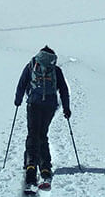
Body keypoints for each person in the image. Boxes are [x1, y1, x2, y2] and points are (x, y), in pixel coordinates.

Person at [14, 46, 70, 187]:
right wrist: (66, 108)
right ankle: (45, 168)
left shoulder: (32, 66)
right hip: (49, 106)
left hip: (33, 104)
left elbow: (22, 84)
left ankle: (30, 166)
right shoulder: (55, 70)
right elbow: (63, 89)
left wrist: (18, 100)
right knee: (42, 135)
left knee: (32, 134)